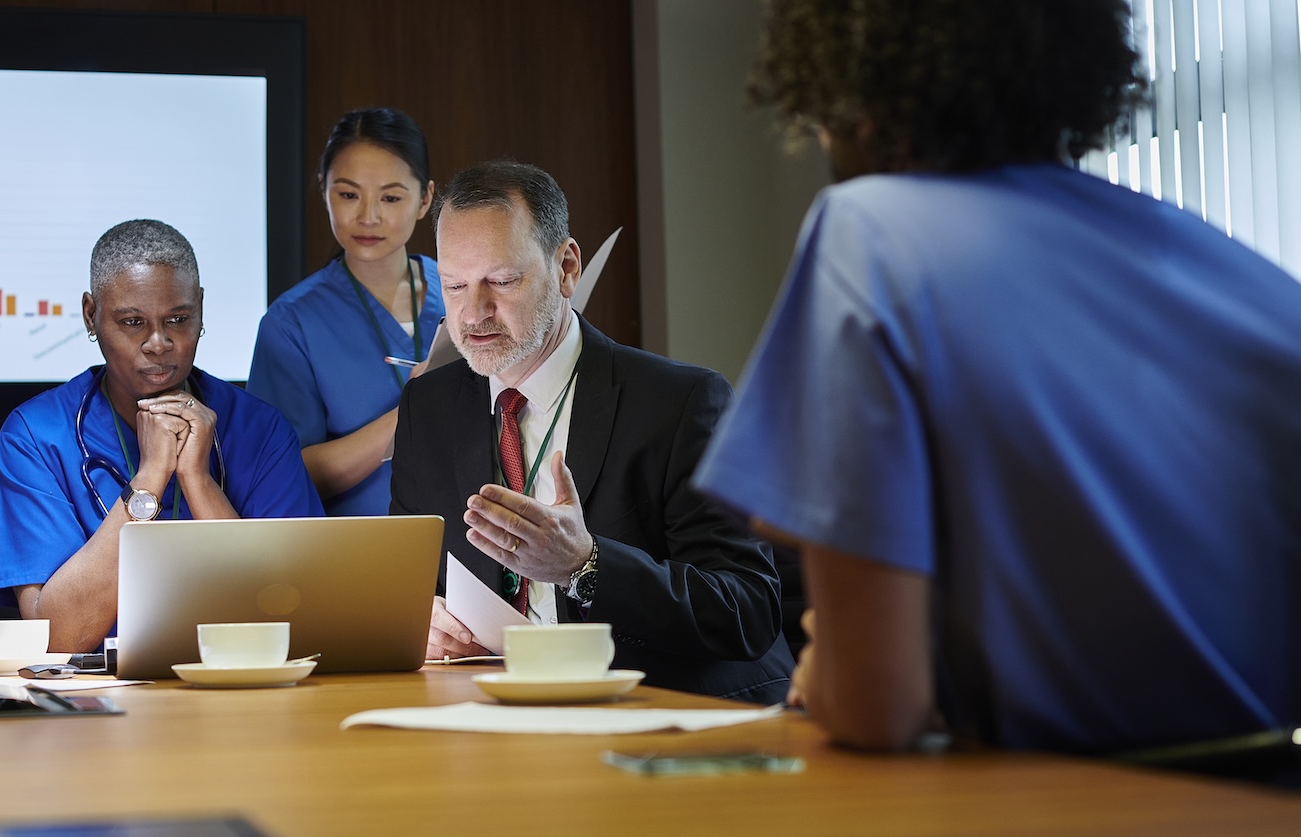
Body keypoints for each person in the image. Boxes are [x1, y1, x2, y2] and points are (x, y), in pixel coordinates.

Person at [691, 0, 1301, 770]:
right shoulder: (1248, 281)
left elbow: (878, 705)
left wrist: (832, 670)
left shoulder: (867, 235)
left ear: (850, 93)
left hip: (1044, 802)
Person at [393, 161, 792, 704]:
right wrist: (422, 618)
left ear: (567, 268)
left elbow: (747, 610)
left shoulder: (682, 403)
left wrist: (586, 566)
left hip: (659, 712)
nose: (473, 313)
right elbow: (410, 583)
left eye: (502, 281)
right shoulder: (428, 407)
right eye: (454, 285)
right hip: (490, 713)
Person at [0, 220, 322, 653]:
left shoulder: (262, 430)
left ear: (200, 308)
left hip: (233, 685)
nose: (159, 343)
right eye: (133, 322)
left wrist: (198, 481)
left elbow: (289, 614)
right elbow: (58, 638)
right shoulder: (35, 436)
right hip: (97, 699)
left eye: (178, 319)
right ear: (91, 315)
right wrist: (151, 477)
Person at [248, 107, 444, 515]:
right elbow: (281, 474)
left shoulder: (463, 291)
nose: (368, 216)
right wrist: (407, 414)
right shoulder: (291, 324)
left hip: (477, 542)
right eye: (349, 194)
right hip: (359, 554)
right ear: (323, 189)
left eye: (390, 197)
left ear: (425, 199)